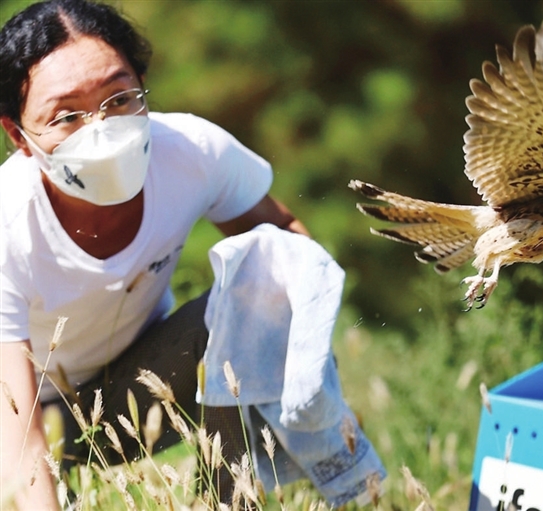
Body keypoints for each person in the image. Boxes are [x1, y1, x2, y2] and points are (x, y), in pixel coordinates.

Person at [0, 0, 312, 508]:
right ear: (18, 134)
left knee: (253, 302)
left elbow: (287, 243)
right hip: (22, 421)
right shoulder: (8, 226)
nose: (100, 128)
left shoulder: (190, 151)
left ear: (143, 85)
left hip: (137, 388)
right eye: (66, 116)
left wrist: (307, 368)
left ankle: (233, 501)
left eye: (118, 98)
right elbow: (16, 443)